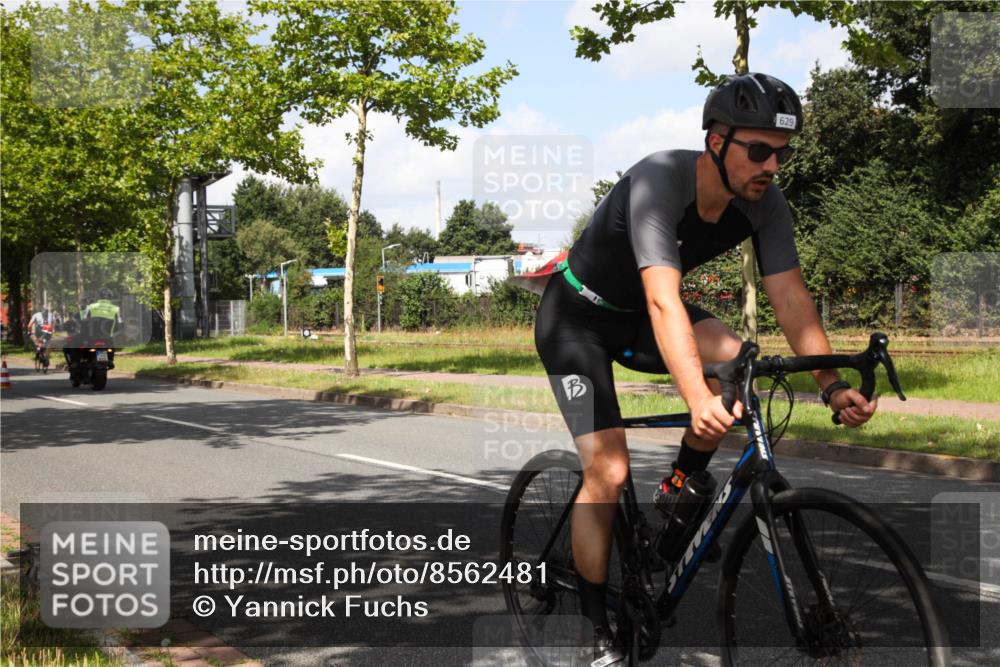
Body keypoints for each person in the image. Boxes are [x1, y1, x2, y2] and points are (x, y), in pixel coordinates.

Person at [533, 73, 878, 665]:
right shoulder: (658, 181)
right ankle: (595, 630)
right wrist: (695, 395)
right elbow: (666, 300)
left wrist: (832, 383)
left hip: (640, 314)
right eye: (760, 149)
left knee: (738, 363)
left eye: (783, 152)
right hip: (577, 321)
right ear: (716, 141)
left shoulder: (765, 206)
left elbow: (791, 298)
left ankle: (676, 490)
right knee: (609, 472)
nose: (773, 165)